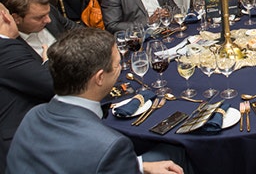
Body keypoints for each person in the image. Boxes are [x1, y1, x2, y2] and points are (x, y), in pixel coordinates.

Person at [6, 27, 189, 174]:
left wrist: (140, 165)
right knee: (177, 151)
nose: (120, 68)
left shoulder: (32, 115)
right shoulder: (110, 145)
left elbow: (69, 162)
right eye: (117, 64)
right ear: (100, 77)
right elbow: (98, 155)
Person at [0, 1, 54, 173]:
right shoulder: (6, 50)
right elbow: (51, 84)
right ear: (5, 16)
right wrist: (47, 62)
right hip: (24, 140)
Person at [6, 0, 80, 57]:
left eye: (47, 14)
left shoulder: (45, 10)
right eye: (40, 17)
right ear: (16, 18)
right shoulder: (11, 47)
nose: (48, 20)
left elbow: (73, 27)